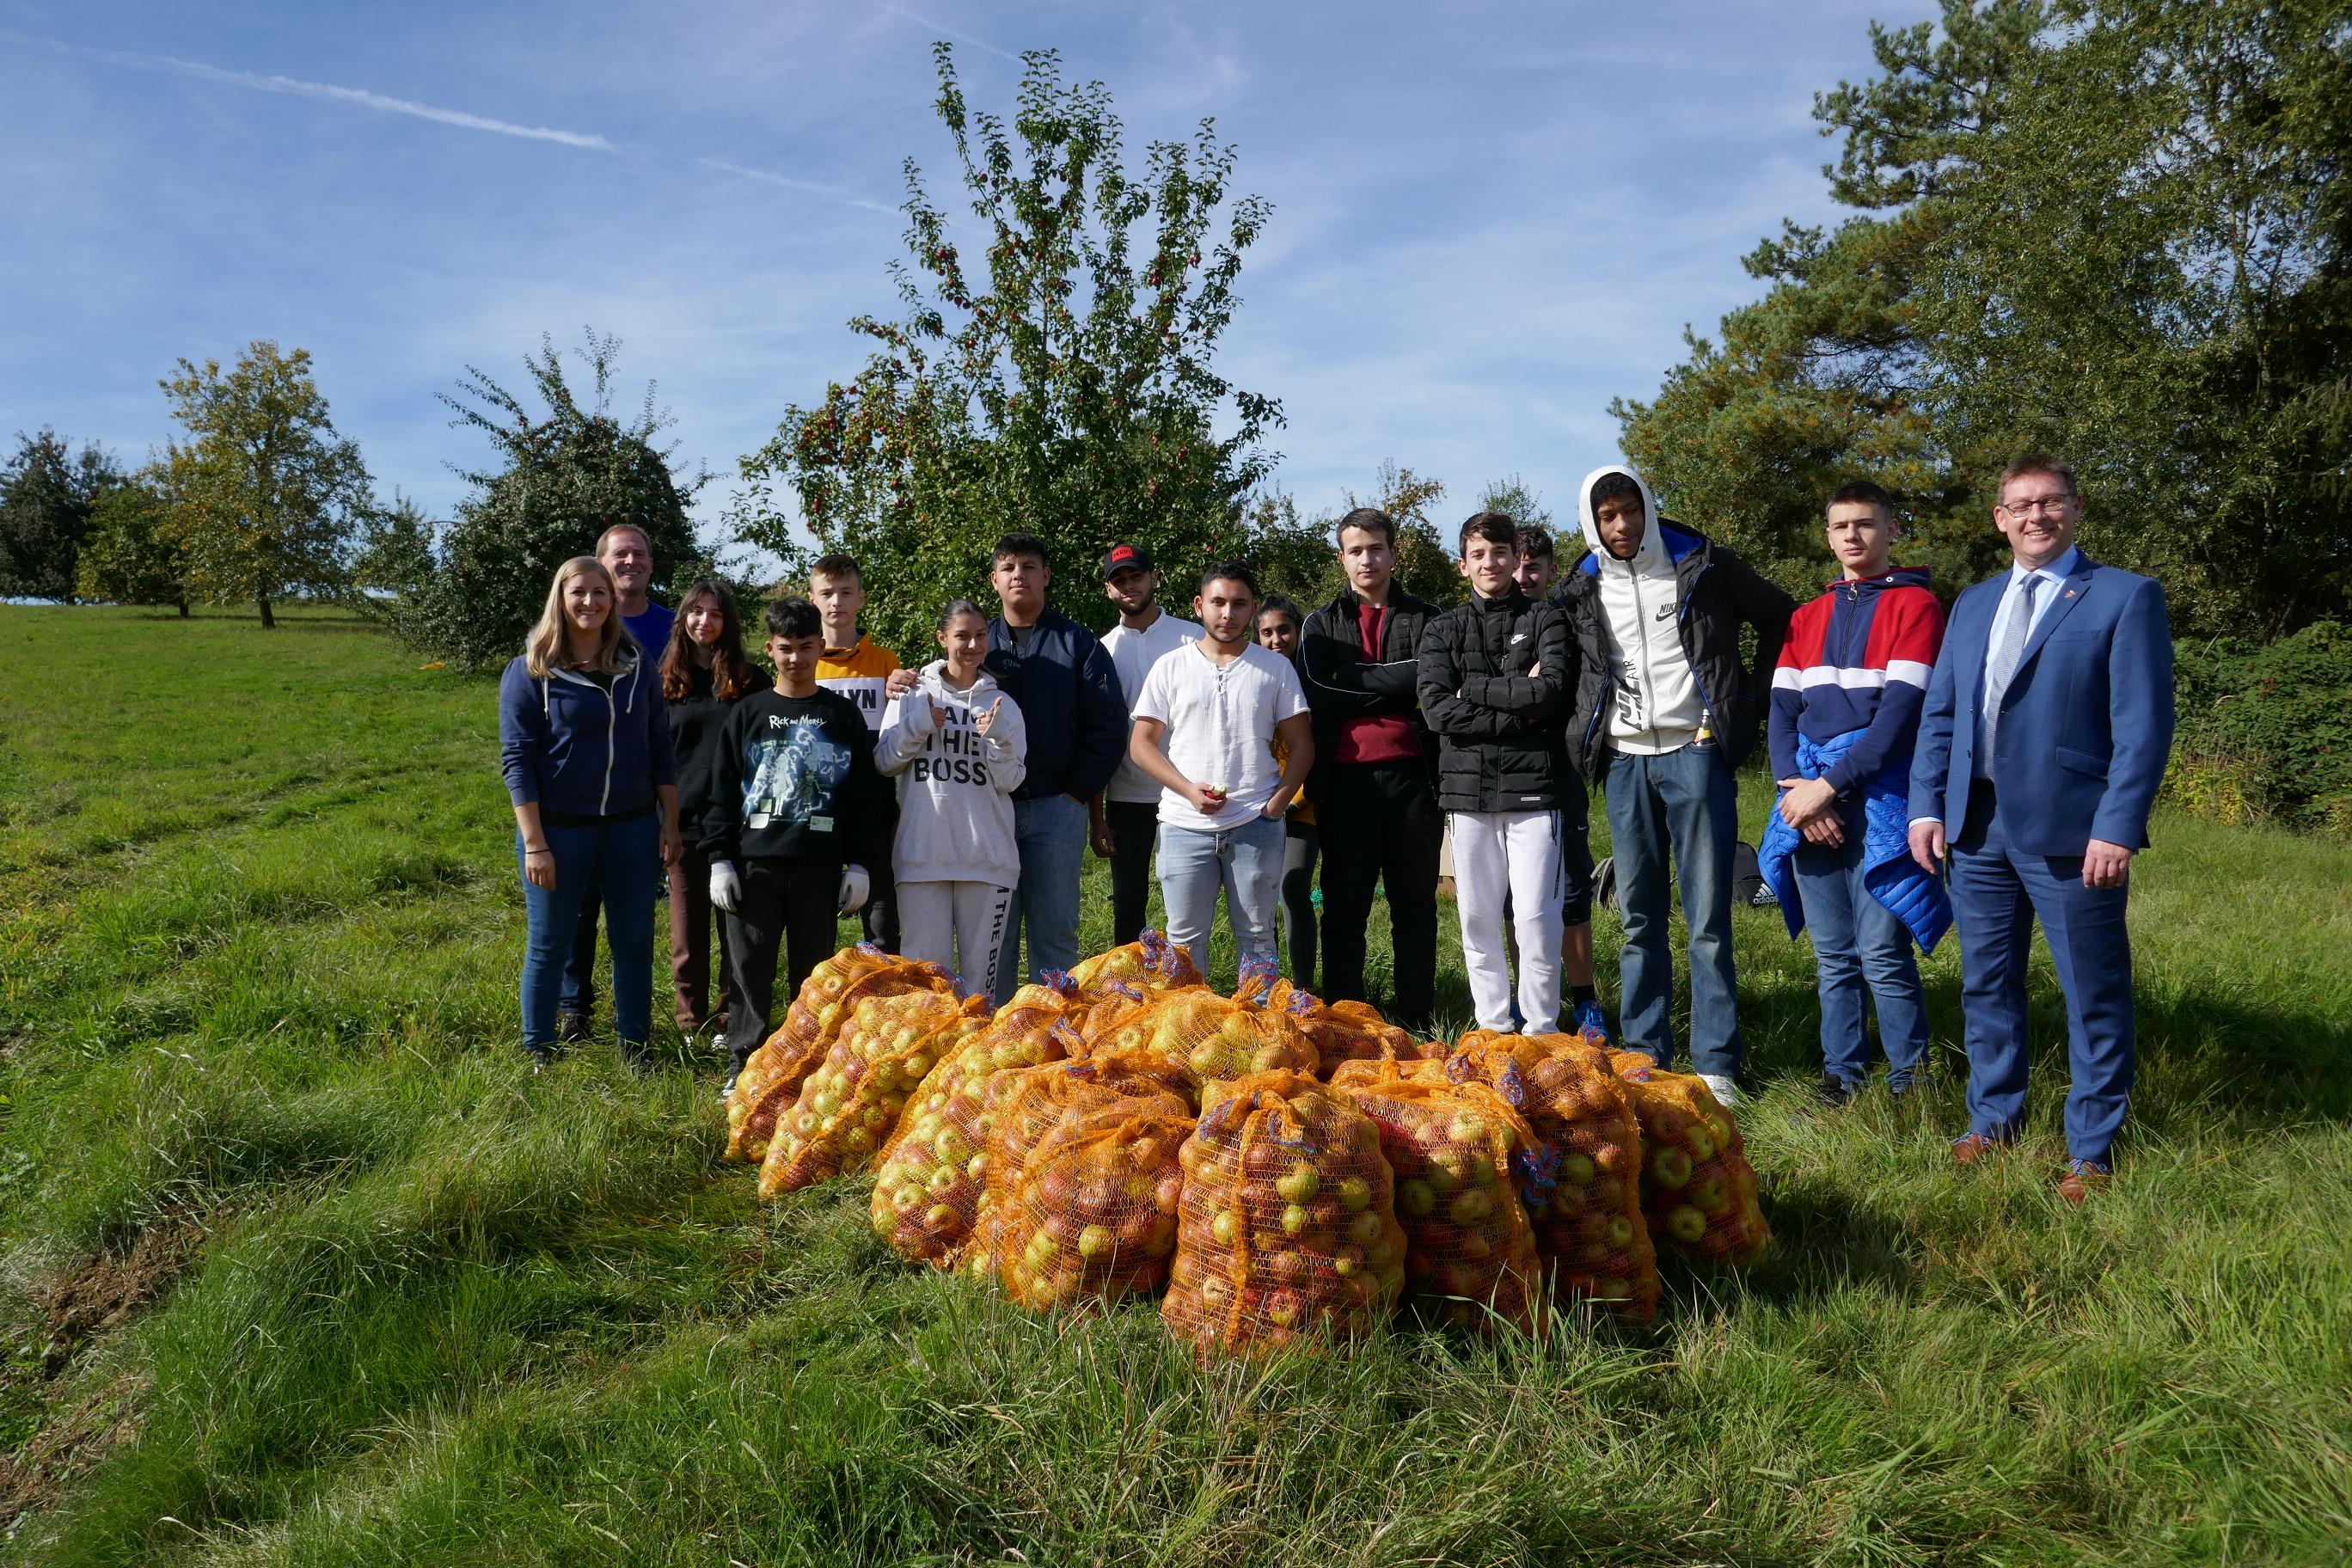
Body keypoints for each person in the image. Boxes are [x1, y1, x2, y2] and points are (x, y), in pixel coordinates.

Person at [1908, 455, 2174, 1203]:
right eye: (2020, 506)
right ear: (1999, 518)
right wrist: (1928, 804)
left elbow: (2143, 727)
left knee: (2093, 989)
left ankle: (2092, 1146)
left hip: (2073, 830)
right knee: (1986, 982)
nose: (2035, 517)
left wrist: (2117, 826)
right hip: (1976, 826)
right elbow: (1944, 714)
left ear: (2075, 509)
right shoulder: (1973, 603)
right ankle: (1994, 1120)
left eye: (2050, 503)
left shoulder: (2124, 597)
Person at [1559, 466, 1793, 1106]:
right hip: (1626, 760)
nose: (1622, 525)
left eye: (1631, 510)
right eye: (1607, 516)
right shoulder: (1580, 587)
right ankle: (1644, 1056)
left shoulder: (1702, 562)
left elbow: (1781, 615)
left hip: (1696, 753)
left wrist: (1746, 703)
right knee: (1638, 917)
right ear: (1592, 522)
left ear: (1648, 508)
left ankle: (1717, 1063)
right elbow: (1570, 665)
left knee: (1709, 915)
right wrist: (1591, 729)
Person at [1754, 482, 1950, 1103]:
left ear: (1892, 531)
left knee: (1882, 952)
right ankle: (1842, 1074)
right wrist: (1801, 794)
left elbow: (1898, 721)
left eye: (1866, 524)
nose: (1853, 536)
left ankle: (1908, 1081)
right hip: (1808, 797)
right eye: (1841, 526)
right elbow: (1781, 715)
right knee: (1835, 955)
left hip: (1882, 795)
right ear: (1828, 534)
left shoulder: (1917, 607)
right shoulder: (1806, 617)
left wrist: (1829, 788)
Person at [499, 555, 681, 1069]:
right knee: (550, 942)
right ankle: (538, 1046)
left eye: (600, 593)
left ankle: (636, 1047)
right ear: (561, 598)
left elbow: (659, 746)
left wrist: (669, 822)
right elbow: (517, 761)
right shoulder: (532, 669)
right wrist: (534, 841)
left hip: (632, 826)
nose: (590, 602)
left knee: (634, 942)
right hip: (558, 830)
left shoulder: (637, 662)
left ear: (612, 601)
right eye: (579, 592)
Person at [702, 597, 892, 1093]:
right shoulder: (749, 714)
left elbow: (866, 799)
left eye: (806, 648)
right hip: (753, 868)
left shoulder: (841, 716)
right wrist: (720, 859)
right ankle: (744, 1067)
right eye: (786, 649)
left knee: (813, 978)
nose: (796, 659)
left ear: (820, 647)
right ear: (770, 649)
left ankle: (806, 1065)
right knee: (748, 973)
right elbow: (720, 792)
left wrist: (862, 865)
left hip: (821, 867)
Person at [1418, 513, 1574, 1035]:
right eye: (1479, 554)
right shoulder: (1441, 628)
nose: (1491, 563)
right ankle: (1493, 1027)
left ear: (1516, 559)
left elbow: (1550, 692)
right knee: (1478, 919)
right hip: (1466, 795)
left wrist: (1473, 688)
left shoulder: (1548, 620)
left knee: (1534, 919)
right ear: (1463, 564)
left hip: (1535, 792)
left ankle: (1542, 1029)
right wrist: (1518, 706)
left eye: (1500, 553)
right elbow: (1437, 711)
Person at [1128, 560, 1313, 979]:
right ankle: (1189, 1032)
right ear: (1199, 606)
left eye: (1238, 604)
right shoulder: (1171, 666)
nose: (1227, 614)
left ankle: (1260, 1035)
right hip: (1182, 825)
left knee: (1258, 936)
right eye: (1218, 603)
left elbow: (1303, 744)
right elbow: (1141, 745)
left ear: (1252, 610)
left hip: (1255, 823)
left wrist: (1278, 802)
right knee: (1185, 940)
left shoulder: (1275, 669)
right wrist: (1187, 790)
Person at [1297, 508, 1444, 1032]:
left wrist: (1355, 677)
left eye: (1376, 548)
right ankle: (1345, 1020)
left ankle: (1418, 1019)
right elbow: (1318, 692)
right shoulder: (1320, 623)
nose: (1367, 559)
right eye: (1356, 550)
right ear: (1342, 559)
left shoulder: (1430, 619)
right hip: (1345, 781)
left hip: (1416, 779)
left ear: (1393, 552)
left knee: (1414, 904)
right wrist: (1392, 686)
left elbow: (1433, 684)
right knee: (1343, 906)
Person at [981, 533, 1130, 1001]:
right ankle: (992, 1046)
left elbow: (1107, 723)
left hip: (1056, 808)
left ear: (1045, 576)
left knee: (1055, 934)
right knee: (992, 937)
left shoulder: (1077, 642)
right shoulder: (975, 643)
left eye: (1028, 566)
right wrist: (903, 680)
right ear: (995, 581)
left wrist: (1076, 791)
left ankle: (1053, 1042)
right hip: (988, 809)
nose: (1018, 575)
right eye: (1008, 568)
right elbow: (937, 692)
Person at [558, 524, 677, 1042]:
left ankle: (651, 1020)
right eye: (620, 555)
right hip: (580, 798)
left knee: (638, 916)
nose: (631, 562)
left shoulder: (674, 628)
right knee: (578, 906)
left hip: (651, 788)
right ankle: (573, 1006)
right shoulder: (567, 632)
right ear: (601, 564)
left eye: (640, 554)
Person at [874, 599, 1028, 997]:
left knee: (980, 991)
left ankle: (978, 1061)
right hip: (922, 858)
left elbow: (1010, 780)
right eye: (962, 636)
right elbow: (885, 761)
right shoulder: (910, 694)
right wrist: (919, 724)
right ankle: (926, 1059)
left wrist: (995, 739)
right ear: (943, 638)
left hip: (987, 859)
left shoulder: (1003, 705)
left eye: (980, 635)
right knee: (926, 986)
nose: (973, 645)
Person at [658, 579, 770, 1037]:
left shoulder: (749, 680)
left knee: (736, 932)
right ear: (684, 618)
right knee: (687, 934)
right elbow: (654, 756)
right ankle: (690, 1022)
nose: (705, 621)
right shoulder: (662, 680)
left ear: (729, 623)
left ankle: (731, 1016)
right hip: (682, 825)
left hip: (739, 827)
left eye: (716, 614)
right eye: (697, 612)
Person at [1510, 524, 1606, 1035]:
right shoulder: (1489, 620)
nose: (1523, 576)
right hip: (1502, 771)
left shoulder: (1571, 620)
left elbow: (1571, 685)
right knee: (1511, 895)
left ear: (1550, 570)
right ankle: (1526, 999)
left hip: (1561, 766)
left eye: (1534, 567)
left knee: (1571, 888)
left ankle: (1585, 999)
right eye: (1516, 564)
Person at [1094, 542, 1204, 945]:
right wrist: (1097, 811)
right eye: (1118, 580)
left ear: (1154, 578)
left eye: (1135, 576)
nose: (1129, 585)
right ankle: (1130, 993)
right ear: (1109, 590)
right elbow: (1099, 731)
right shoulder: (1102, 649)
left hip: (1189, 791)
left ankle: (1199, 986)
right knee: (1128, 901)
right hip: (1126, 794)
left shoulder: (1191, 638)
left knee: (1193, 900)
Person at [810, 553, 916, 952]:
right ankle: (817, 1005)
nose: (836, 601)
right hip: (819, 805)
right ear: (813, 599)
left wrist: (899, 688)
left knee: (883, 922)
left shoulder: (886, 662)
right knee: (816, 924)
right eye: (827, 593)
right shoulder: (804, 662)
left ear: (861, 599)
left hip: (875, 805)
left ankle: (885, 1005)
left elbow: (902, 731)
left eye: (845, 592)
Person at [1256, 594, 1320, 989]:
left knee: (1292, 885)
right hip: (1262, 804)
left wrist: (1294, 796)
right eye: (1266, 632)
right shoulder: (1256, 675)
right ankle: (1267, 986)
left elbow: (1315, 748)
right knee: (1263, 890)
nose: (1276, 639)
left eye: (1284, 630)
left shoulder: (1312, 678)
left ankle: (1301, 986)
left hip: (1303, 804)